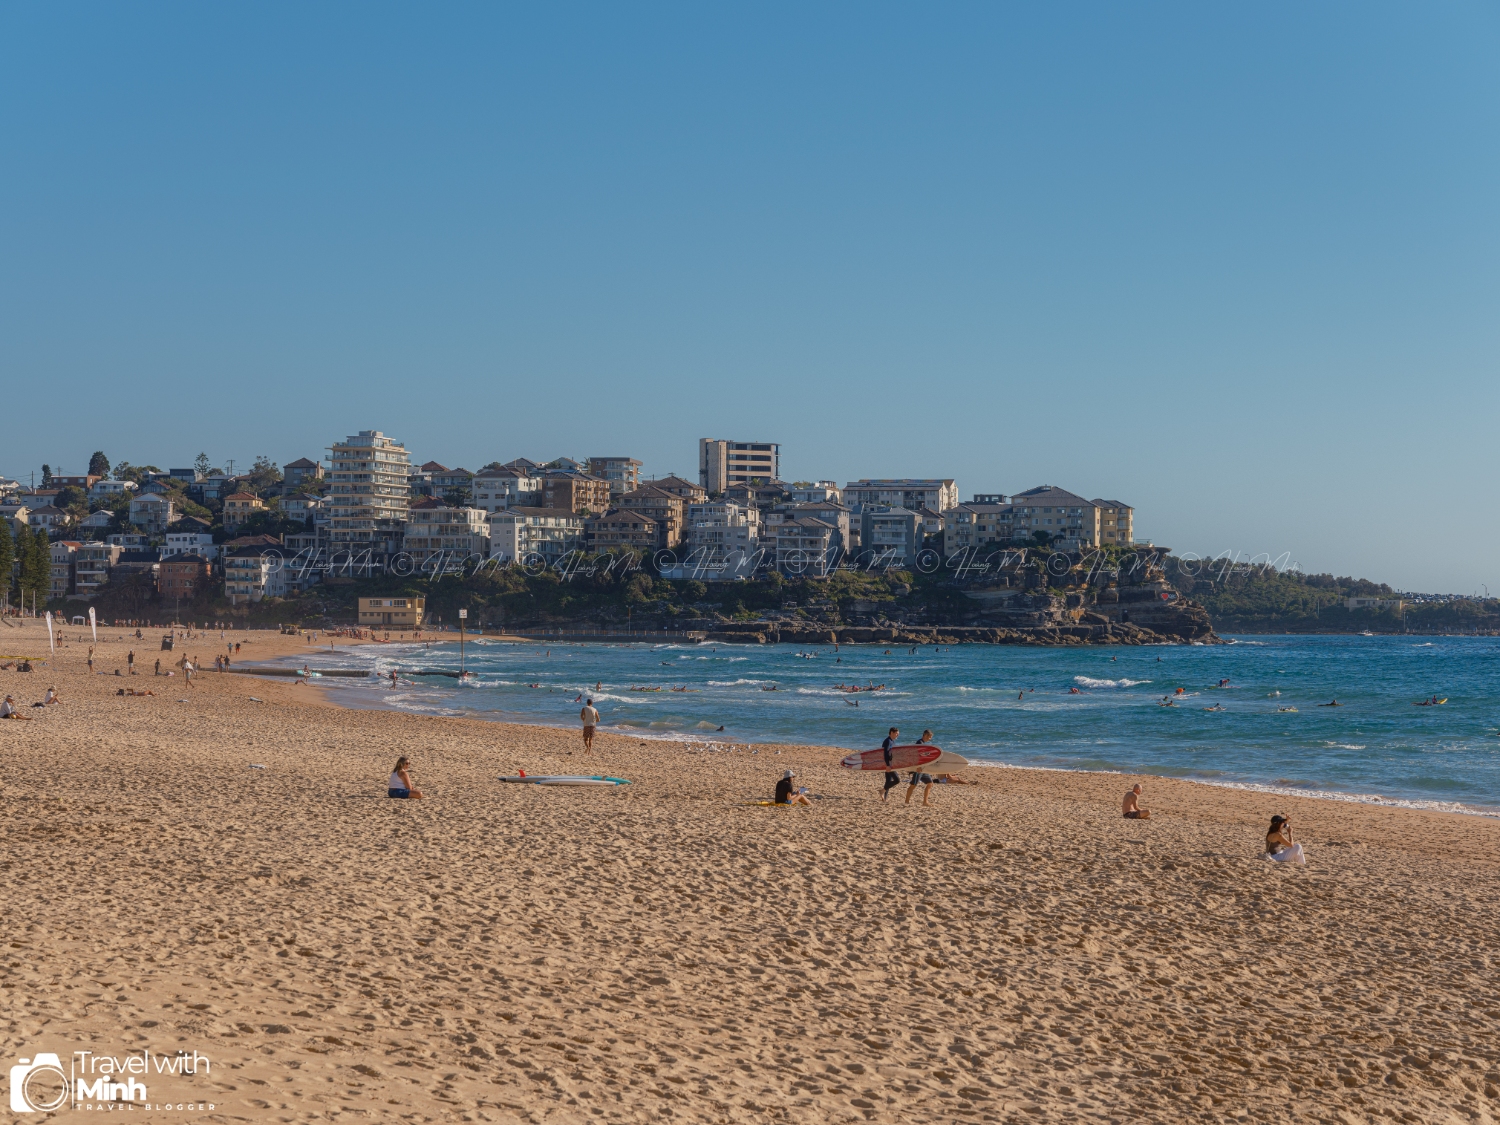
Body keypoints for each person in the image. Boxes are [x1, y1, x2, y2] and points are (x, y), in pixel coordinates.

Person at [881, 728, 901, 803]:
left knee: (888, 781)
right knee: (897, 780)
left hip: (890, 764)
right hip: (888, 764)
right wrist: (887, 765)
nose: (898, 735)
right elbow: (885, 754)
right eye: (896, 733)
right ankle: (882, 791)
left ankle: (884, 799)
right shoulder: (888, 741)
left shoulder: (892, 741)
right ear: (891, 732)